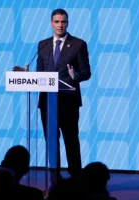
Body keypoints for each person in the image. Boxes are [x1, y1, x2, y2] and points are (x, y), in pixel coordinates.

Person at [36, 8, 91, 185]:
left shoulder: (78, 44)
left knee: (71, 141)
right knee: (51, 142)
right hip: (47, 102)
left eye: (63, 22)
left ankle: (76, 178)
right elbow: (40, 73)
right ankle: (55, 179)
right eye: (57, 22)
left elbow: (86, 72)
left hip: (68, 101)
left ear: (67, 23)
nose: (60, 25)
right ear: (51, 23)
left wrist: (76, 76)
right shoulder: (42, 45)